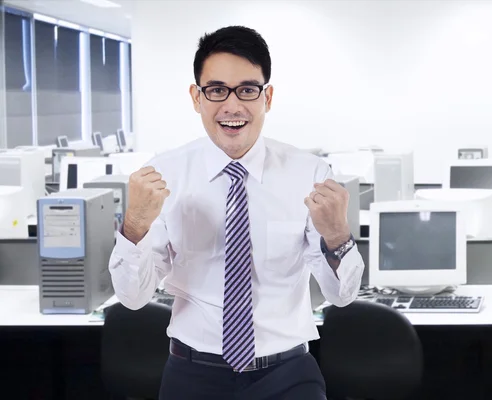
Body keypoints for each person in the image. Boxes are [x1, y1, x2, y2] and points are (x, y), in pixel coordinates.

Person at [108, 25, 365, 400]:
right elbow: (132, 297)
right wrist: (134, 225)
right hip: (193, 374)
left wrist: (338, 237)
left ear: (268, 97)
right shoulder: (166, 173)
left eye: (247, 90)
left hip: (287, 375)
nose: (232, 106)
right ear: (197, 98)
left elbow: (341, 296)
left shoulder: (308, 174)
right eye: (216, 90)